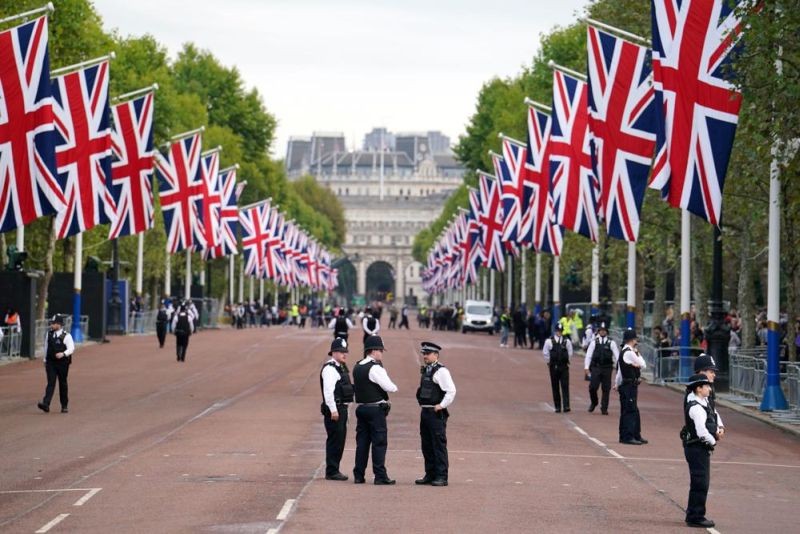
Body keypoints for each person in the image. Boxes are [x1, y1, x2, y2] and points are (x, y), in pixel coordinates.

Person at [352, 335, 398, 485]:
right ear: (373, 351)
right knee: (379, 443)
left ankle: (359, 475)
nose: (382, 354)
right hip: (375, 410)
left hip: (361, 409)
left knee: (362, 443)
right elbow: (390, 387)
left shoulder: (357, 366)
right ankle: (380, 476)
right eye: (380, 351)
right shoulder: (375, 367)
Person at [682, 374, 723, 528]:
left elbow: (714, 413)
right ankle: (695, 516)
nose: (709, 388)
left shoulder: (703, 401)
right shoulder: (695, 407)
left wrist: (719, 428)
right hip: (696, 447)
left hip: (699, 447)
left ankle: (694, 513)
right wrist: (713, 441)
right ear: (699, 389)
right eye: (706, 386)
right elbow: (701, 431)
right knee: (700, 482)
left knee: (701, 481)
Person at [415, 341, 456, 487]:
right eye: (424, 354)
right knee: (426, 445)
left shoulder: (441, 371)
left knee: (438, 445)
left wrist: (441, 405)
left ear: (436, 355)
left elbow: (451, 390)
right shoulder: (427, 370)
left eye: (427, 354)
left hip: (435, 413)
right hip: (425, 412)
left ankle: (441, 476)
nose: (425, 356)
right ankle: (430, 474)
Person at [320, 337, 354, 481]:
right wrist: (333, 410)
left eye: (345, 351)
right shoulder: (330, 369)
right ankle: (332, 471)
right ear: (333, 353)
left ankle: (334, 469)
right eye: (340, 352)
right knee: (335, 440)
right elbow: (328, 391)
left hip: (341, 408)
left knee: (339, 440)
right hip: (335, 409)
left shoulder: (340, 367)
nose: (344, 354)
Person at [37, 314, 75, 414]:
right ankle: (46, 404)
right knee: (51, 382)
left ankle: (64, 405)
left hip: (62, 363)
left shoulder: (66, 335)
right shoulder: (49, 334)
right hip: (51, 363)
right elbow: (46, 347)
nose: (51, 325)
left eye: (53, 324)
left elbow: (71, 348)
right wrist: (45, 360)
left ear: (59, 324)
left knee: (62, 383)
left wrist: (63, 354)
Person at [616, 328, 647, 445]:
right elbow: (643, 364)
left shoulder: (624, 351)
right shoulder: (629, 352)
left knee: (632, 410)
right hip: (629, 385)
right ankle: (627, 436)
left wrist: (617, 383)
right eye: (635, 339)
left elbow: (619, 371)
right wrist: (637, 353)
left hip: (627, 384)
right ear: (632, 340)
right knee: (629, 411)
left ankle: (635, 434)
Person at [584, 322, 619, 415]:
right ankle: (594, 402)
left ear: (607, 332)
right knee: (593, 387)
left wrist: (618, 367)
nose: (602, 332)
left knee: (606, 388)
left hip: (607, 368)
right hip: (596, 367)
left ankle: (604, 407)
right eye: (601, 330)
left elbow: (617, 356)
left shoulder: (611, 342)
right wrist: (586, 367)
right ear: (598, 331)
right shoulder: (594, 342)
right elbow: (588, 355)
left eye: (604, 330)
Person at [543, 323, 573, 413]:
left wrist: (567, 361)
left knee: (565, 386)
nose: (559, 332)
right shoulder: (549, 341)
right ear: (555, 331)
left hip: (564, 366)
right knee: (555, 386)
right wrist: (548, 362)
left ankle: (566, 405)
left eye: (560, 331)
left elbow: (570, 352)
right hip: (554, 366)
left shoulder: (567, 341)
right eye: (557, 331)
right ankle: (557, 406)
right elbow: (545, 352)